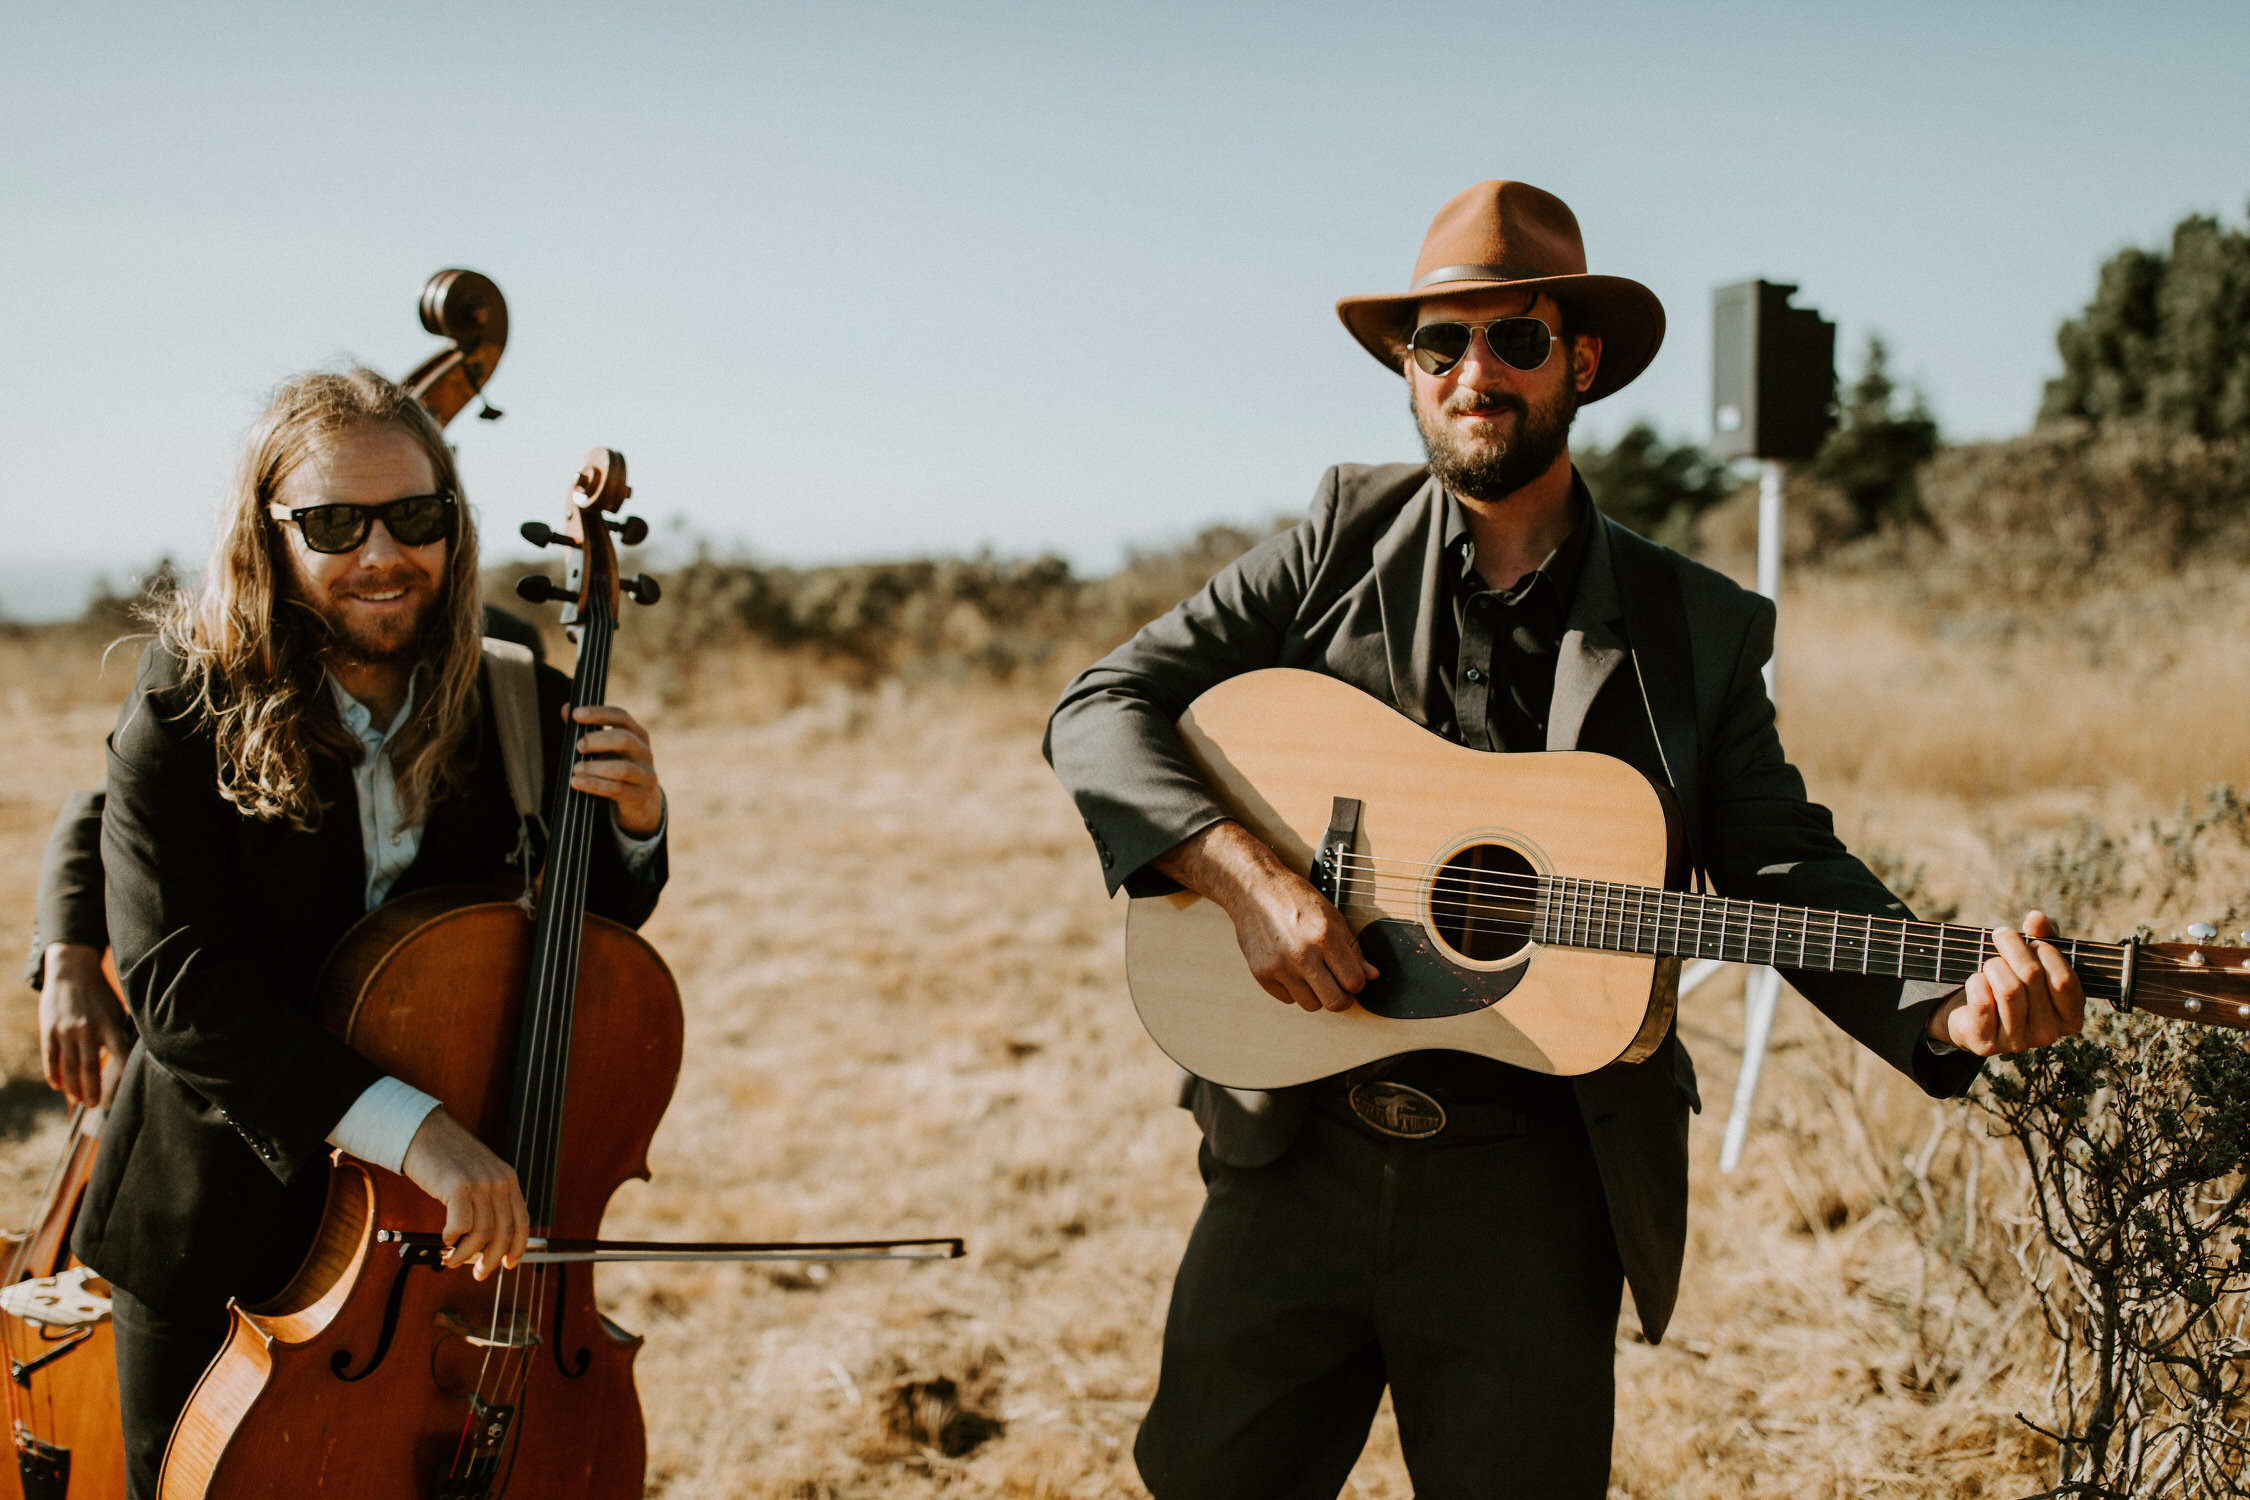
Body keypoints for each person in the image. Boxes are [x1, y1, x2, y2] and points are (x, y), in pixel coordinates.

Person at [1043, 180, 2086, 1498]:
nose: (1471, 373)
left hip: (1537, 1192)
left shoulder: (1692, 626)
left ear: (1578, 360)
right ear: (1407, 367)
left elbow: (1778, 870)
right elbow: (1099, 707)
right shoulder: (1332, 540)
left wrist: (1946, 1005)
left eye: (1512, 339)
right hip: (1290, 1149)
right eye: (1438, 343)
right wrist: (1242, 875)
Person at [73, 368, 669, 1500]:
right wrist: (422, 1136)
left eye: (417, 518)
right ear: (269, 536)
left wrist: (637, 833)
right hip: (222, 1236)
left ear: (456, 524)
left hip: (447, 1270)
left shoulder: (517, 699)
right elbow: (183, 987)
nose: (383, 554)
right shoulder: (182, 700)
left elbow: (568, 955)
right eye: (335, 523)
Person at [22, 605, 546, 1110]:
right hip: (256, 1052)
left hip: (428, 1047)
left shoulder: (508, 650)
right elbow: (110, 808)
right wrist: (67, 954)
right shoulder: (284, 639)